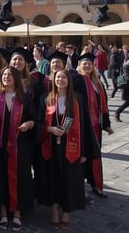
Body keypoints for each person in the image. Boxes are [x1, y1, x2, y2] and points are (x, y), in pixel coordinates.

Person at [0, 66, 35, 231]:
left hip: (20, 145)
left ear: (16, 78)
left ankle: (17, 212)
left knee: (20, 178)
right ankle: (3, 212)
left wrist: (30, 123)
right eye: (4, 74)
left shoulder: (25, 97)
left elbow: (34, 118)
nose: (6, 77)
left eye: (10, 75)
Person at [37, 69, 86, 230]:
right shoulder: (46, 98)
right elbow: (39, 121)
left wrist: (84, 152)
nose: (61, 80)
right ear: (53, 80)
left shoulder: (77, 99)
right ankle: (53, 212)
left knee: (68, 180)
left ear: (69, 80)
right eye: (58, 77)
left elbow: (84, 125)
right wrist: (49, 129)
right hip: (51, 145)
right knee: (53, 179)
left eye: (64, 77)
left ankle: (66, 212)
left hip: (70, 146)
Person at [71, 52, 113, 199]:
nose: (87, 66)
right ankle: (79, 189)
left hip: (95, 126)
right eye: (84, 63)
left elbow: (104, 105)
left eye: (90, 63)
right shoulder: (77, 79)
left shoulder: (97, 83)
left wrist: (106, 124)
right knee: (82, 156)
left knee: (95, 155)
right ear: (79, 65)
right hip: (82, 125)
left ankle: (96, 184)